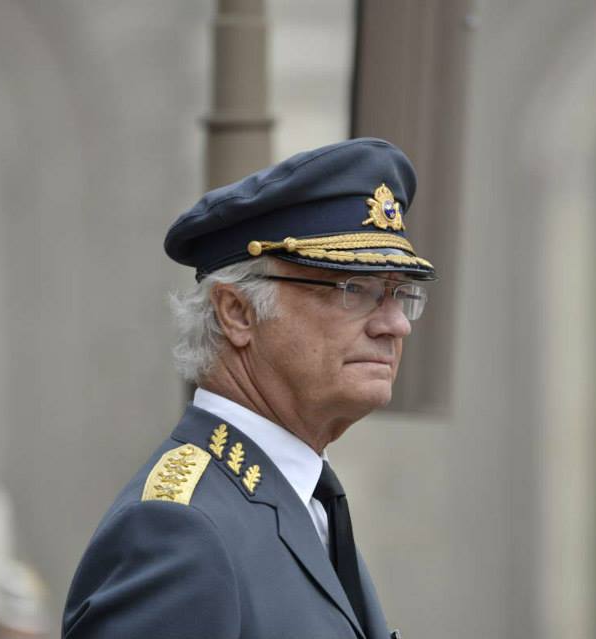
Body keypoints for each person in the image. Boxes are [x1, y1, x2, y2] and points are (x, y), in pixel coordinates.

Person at [62, 138, 435, 639]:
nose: (395, 324)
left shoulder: (304, 502)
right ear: (236, 313)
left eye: (398, 293)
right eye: (355, 289)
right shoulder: (179, 528)